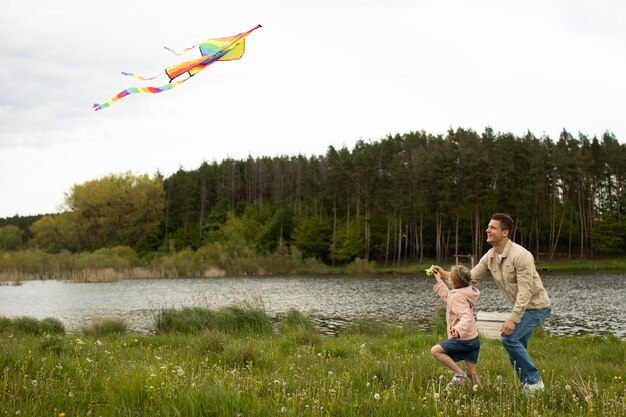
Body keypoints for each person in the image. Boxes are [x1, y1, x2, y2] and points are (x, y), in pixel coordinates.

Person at [435, 213, 551, 393]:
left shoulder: (521, 256)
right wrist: (444, 275)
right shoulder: (490, 256)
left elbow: (525, 292)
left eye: (492, 227)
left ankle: (534, 383)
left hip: (536, 307)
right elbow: (469, 278)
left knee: (509, 340)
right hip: (521, 308)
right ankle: (526, 386)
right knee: (517, 346)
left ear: (505, 232)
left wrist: (512, 319)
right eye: (488, 226)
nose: (487, 230)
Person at [430, 265, 481, 387]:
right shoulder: (467, 291)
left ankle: (459, 374)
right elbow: (448, 296)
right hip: (473, 340)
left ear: (452, 281)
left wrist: (458, 329)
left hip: (462, 340)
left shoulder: (456, 296)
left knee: (435, 351)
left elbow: (466, 316)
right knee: (472, 373)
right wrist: (439, 279)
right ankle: (482, 392)